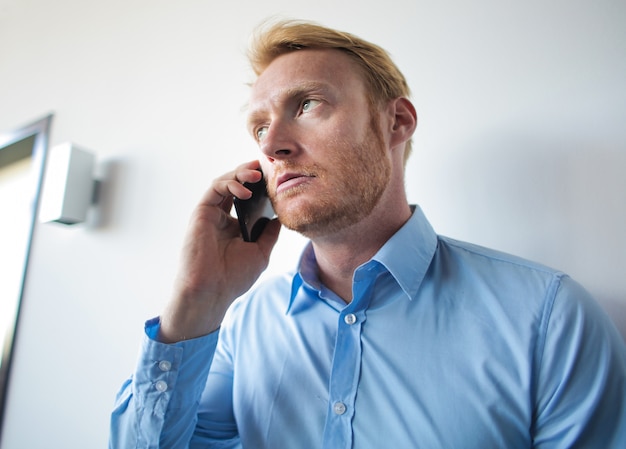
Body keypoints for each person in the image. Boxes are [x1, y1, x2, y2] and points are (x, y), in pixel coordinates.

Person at [109, 19, 626, 449]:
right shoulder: (240, 328)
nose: (274, 145)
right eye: (260, 128)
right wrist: (195, 305)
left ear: (396, 122)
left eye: (307, 104)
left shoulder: (550, 317)